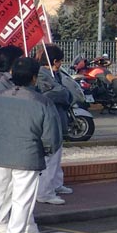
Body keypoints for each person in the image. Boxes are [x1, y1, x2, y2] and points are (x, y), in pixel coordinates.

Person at [0, 57, 61, 233]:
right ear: (34, 78)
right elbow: (51, 136)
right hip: (28, 155)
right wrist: (46, 150)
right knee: (22, 200)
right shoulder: (43, 102)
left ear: (12, 75)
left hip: (0, 153)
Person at [34, 44, 75, 206]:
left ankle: (56, 184)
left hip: (58, 117)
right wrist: (63, 93)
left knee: (57, 156)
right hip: (49, 120)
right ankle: (45, 192)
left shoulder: (54, 74)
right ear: (55, 61)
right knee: (50, 157)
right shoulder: (42, 74)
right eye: (59, 61)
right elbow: (57, 93)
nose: (60, 65)